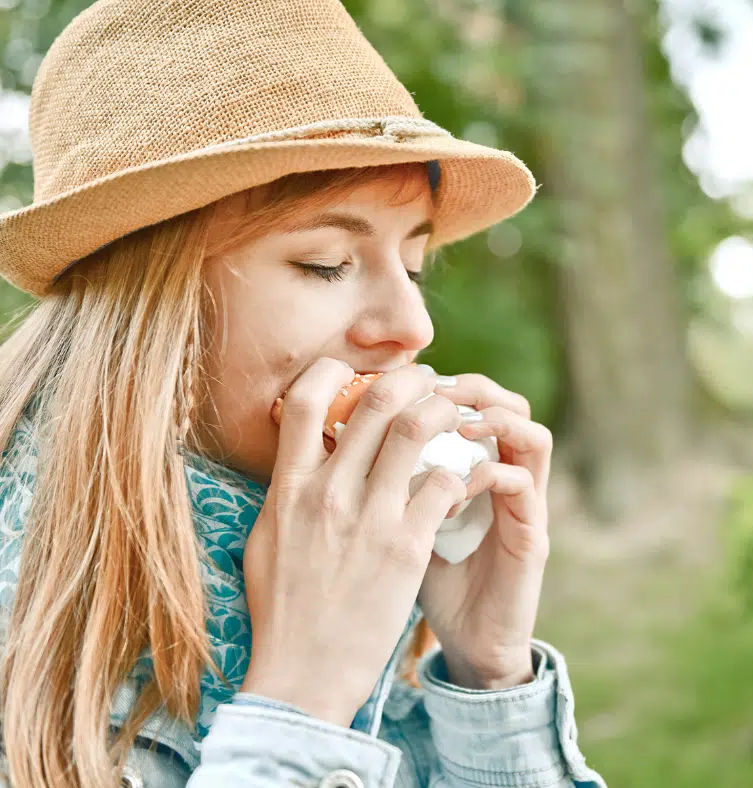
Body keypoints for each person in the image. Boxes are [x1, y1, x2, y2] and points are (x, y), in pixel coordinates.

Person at [0, 1, 609, 787]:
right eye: (327, 263)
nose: (412, 324)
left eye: (415, 266)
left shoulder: (384, 603)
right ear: (151, 309)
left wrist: (488, 680)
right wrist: (304, 699)